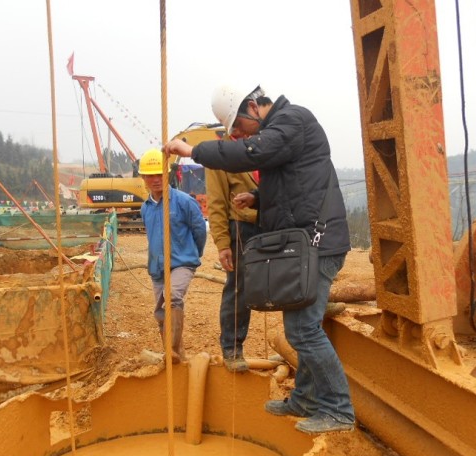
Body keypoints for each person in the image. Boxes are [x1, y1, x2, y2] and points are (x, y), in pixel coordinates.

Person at [164, 85, 355, 434]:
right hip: (306, 244)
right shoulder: (281, 129)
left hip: (320, 242)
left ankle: (338, 408)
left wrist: (194, 150)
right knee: (300, 325)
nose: (236, 134)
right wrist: (257, 197)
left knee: (303, 329)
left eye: (237, 126)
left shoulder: (291, 120)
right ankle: (306, 399)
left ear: (254, 107)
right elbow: (294, 184)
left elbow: (252, 152)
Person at [138, 148, 207, 363]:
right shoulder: (145, 208)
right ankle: (178, 357)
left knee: (173, 297)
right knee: (160, 312)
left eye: (159, 174)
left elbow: (200, 232)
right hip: (157, 266)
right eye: (150, 175)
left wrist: (193, 254)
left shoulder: (184, 202)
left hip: (182, 262)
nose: (155, 179)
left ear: (166, 174)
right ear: (143, 178)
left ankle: (173, 352)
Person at [205, 141, 259, 373]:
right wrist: (223, 244)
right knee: (239, 288)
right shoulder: (220, 154)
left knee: (285, 281)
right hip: (242, 228)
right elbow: (216, 203)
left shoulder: (267, 143)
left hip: (274, 223)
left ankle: (297, 343)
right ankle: (232, 346)